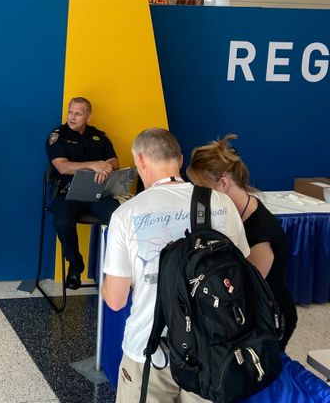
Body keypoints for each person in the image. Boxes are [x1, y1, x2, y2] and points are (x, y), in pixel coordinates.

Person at [102, 128, 249, 403]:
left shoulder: (125, 214)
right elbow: (241, 272)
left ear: (142, 161)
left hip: (151, 348)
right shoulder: (220, 203)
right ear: (179, 160)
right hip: (213, 348)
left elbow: (115, 300)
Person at [187, 134, 298, 351]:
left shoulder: (261, 234)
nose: (197, 197)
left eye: (201, 189)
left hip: (270, 320)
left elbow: (241, 292)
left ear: (224, 184)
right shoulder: (236, 213)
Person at [46, 97, 119, 290]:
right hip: (68, 194)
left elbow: (114, 162)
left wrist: (106, 166)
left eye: (78, 114)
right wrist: (92, 165)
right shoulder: (58, 136)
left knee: (119, 216)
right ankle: (75, 264)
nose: (72, 117)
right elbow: (62, 167)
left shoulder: (99, 137)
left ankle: (117, 269)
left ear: (88, 116)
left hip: (97, 194)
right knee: (62, 220)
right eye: (71, 112)